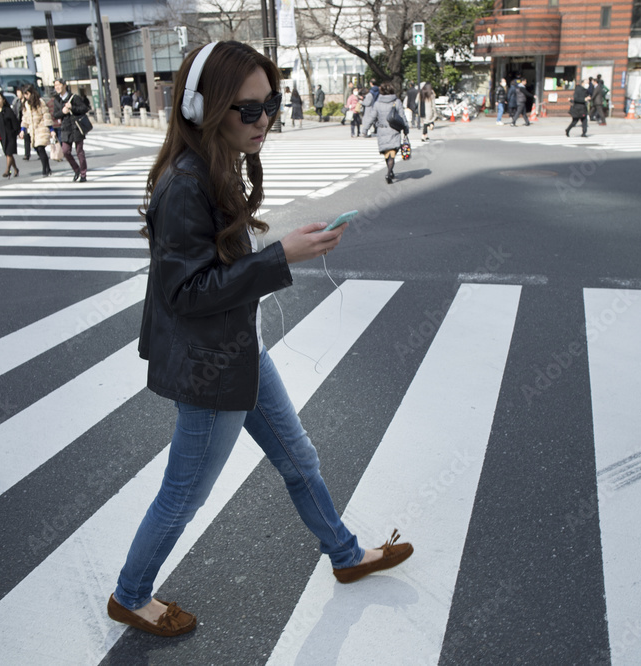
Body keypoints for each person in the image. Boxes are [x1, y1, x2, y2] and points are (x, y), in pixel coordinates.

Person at [105, 40, 414, 638]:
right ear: (203, 107)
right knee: (184, 494)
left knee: (298, 457)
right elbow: (185, 293)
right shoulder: (186, 185)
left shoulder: (214, 167)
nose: (264, 119)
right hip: (209, 369)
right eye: (248, 109)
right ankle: (129, 595)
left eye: (270, 103)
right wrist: (280, 257)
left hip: (236, 350)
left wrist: (280, 252)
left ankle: (346, 556)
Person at [362, 82, 409, 185]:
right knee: (392, 153)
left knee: (386, 153)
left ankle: (389, 170)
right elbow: (402, 116)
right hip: (394, 130)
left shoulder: (378, 103)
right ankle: (389, 172)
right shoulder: (396, 101)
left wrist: (365, 129)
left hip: (382, 131)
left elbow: (371, 117)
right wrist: (406, 128)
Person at [52, 78, 90, 182]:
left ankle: (83, 174)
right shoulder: (57, 100)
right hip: (65, 128)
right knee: (65, 151)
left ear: (64, 85)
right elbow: (55, 115)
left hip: (76, 127)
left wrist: (72, 107)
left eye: (59, 85)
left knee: (79, 152)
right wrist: (63, 112)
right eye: (55, 86)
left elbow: (84, 108)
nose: (57, 87)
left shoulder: (74, 97)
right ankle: (76, 169)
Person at [19, 84, 54, 177]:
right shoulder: (26, 104)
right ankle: (48, 168)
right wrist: (23, 129)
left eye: (26, 94)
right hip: (33, 130)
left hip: (41, 128)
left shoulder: (40, 102)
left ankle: (44, 170)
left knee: (40, 148)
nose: (25, 96)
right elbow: (25, 118)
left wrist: (51, 129)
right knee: (37, 149)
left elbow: (46, 115)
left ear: (30, 93)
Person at [11, 92, 31, 161]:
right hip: (21, 122)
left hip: (30, 122)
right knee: (26, 138)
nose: (18, 94)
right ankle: (27, 154)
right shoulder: (16, 101)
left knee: (30, 139)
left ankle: (37, 150)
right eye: (17, 93)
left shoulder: (28, 102)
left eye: (19, 93)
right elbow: (14, 111)